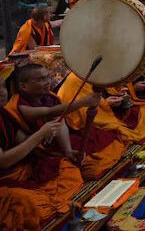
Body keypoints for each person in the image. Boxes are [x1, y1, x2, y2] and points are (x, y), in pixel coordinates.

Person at [5, 64, 124, 180]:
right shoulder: (19, 105)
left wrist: (68, 150)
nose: (47, 82)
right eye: (41, 79)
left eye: (48, 77)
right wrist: (83, 102)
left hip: (59, 142)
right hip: (37, 151)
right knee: (77, 172)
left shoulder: (49, 97)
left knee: (109, 141)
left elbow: (59, 122)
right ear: (23, 86)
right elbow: (49, 112)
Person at [0, 75, 83, 230]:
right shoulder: (17, 105)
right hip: (4, 179)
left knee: (67, 169)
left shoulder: (3, 114)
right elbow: (3, 160)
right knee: (29, 205)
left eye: (3, 87)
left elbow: (23, 141)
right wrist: (40, 135)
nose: (2, 93)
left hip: (20, 171)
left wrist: (46, 140)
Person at [57, 73, 145, 145]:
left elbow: (107, 90)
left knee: (144, 114)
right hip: (87, 125)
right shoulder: (76, 81)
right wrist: (105, 103)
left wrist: (119, 94)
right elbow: (81, 115)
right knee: (115, 139)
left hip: (107, 112)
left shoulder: (98, 72)